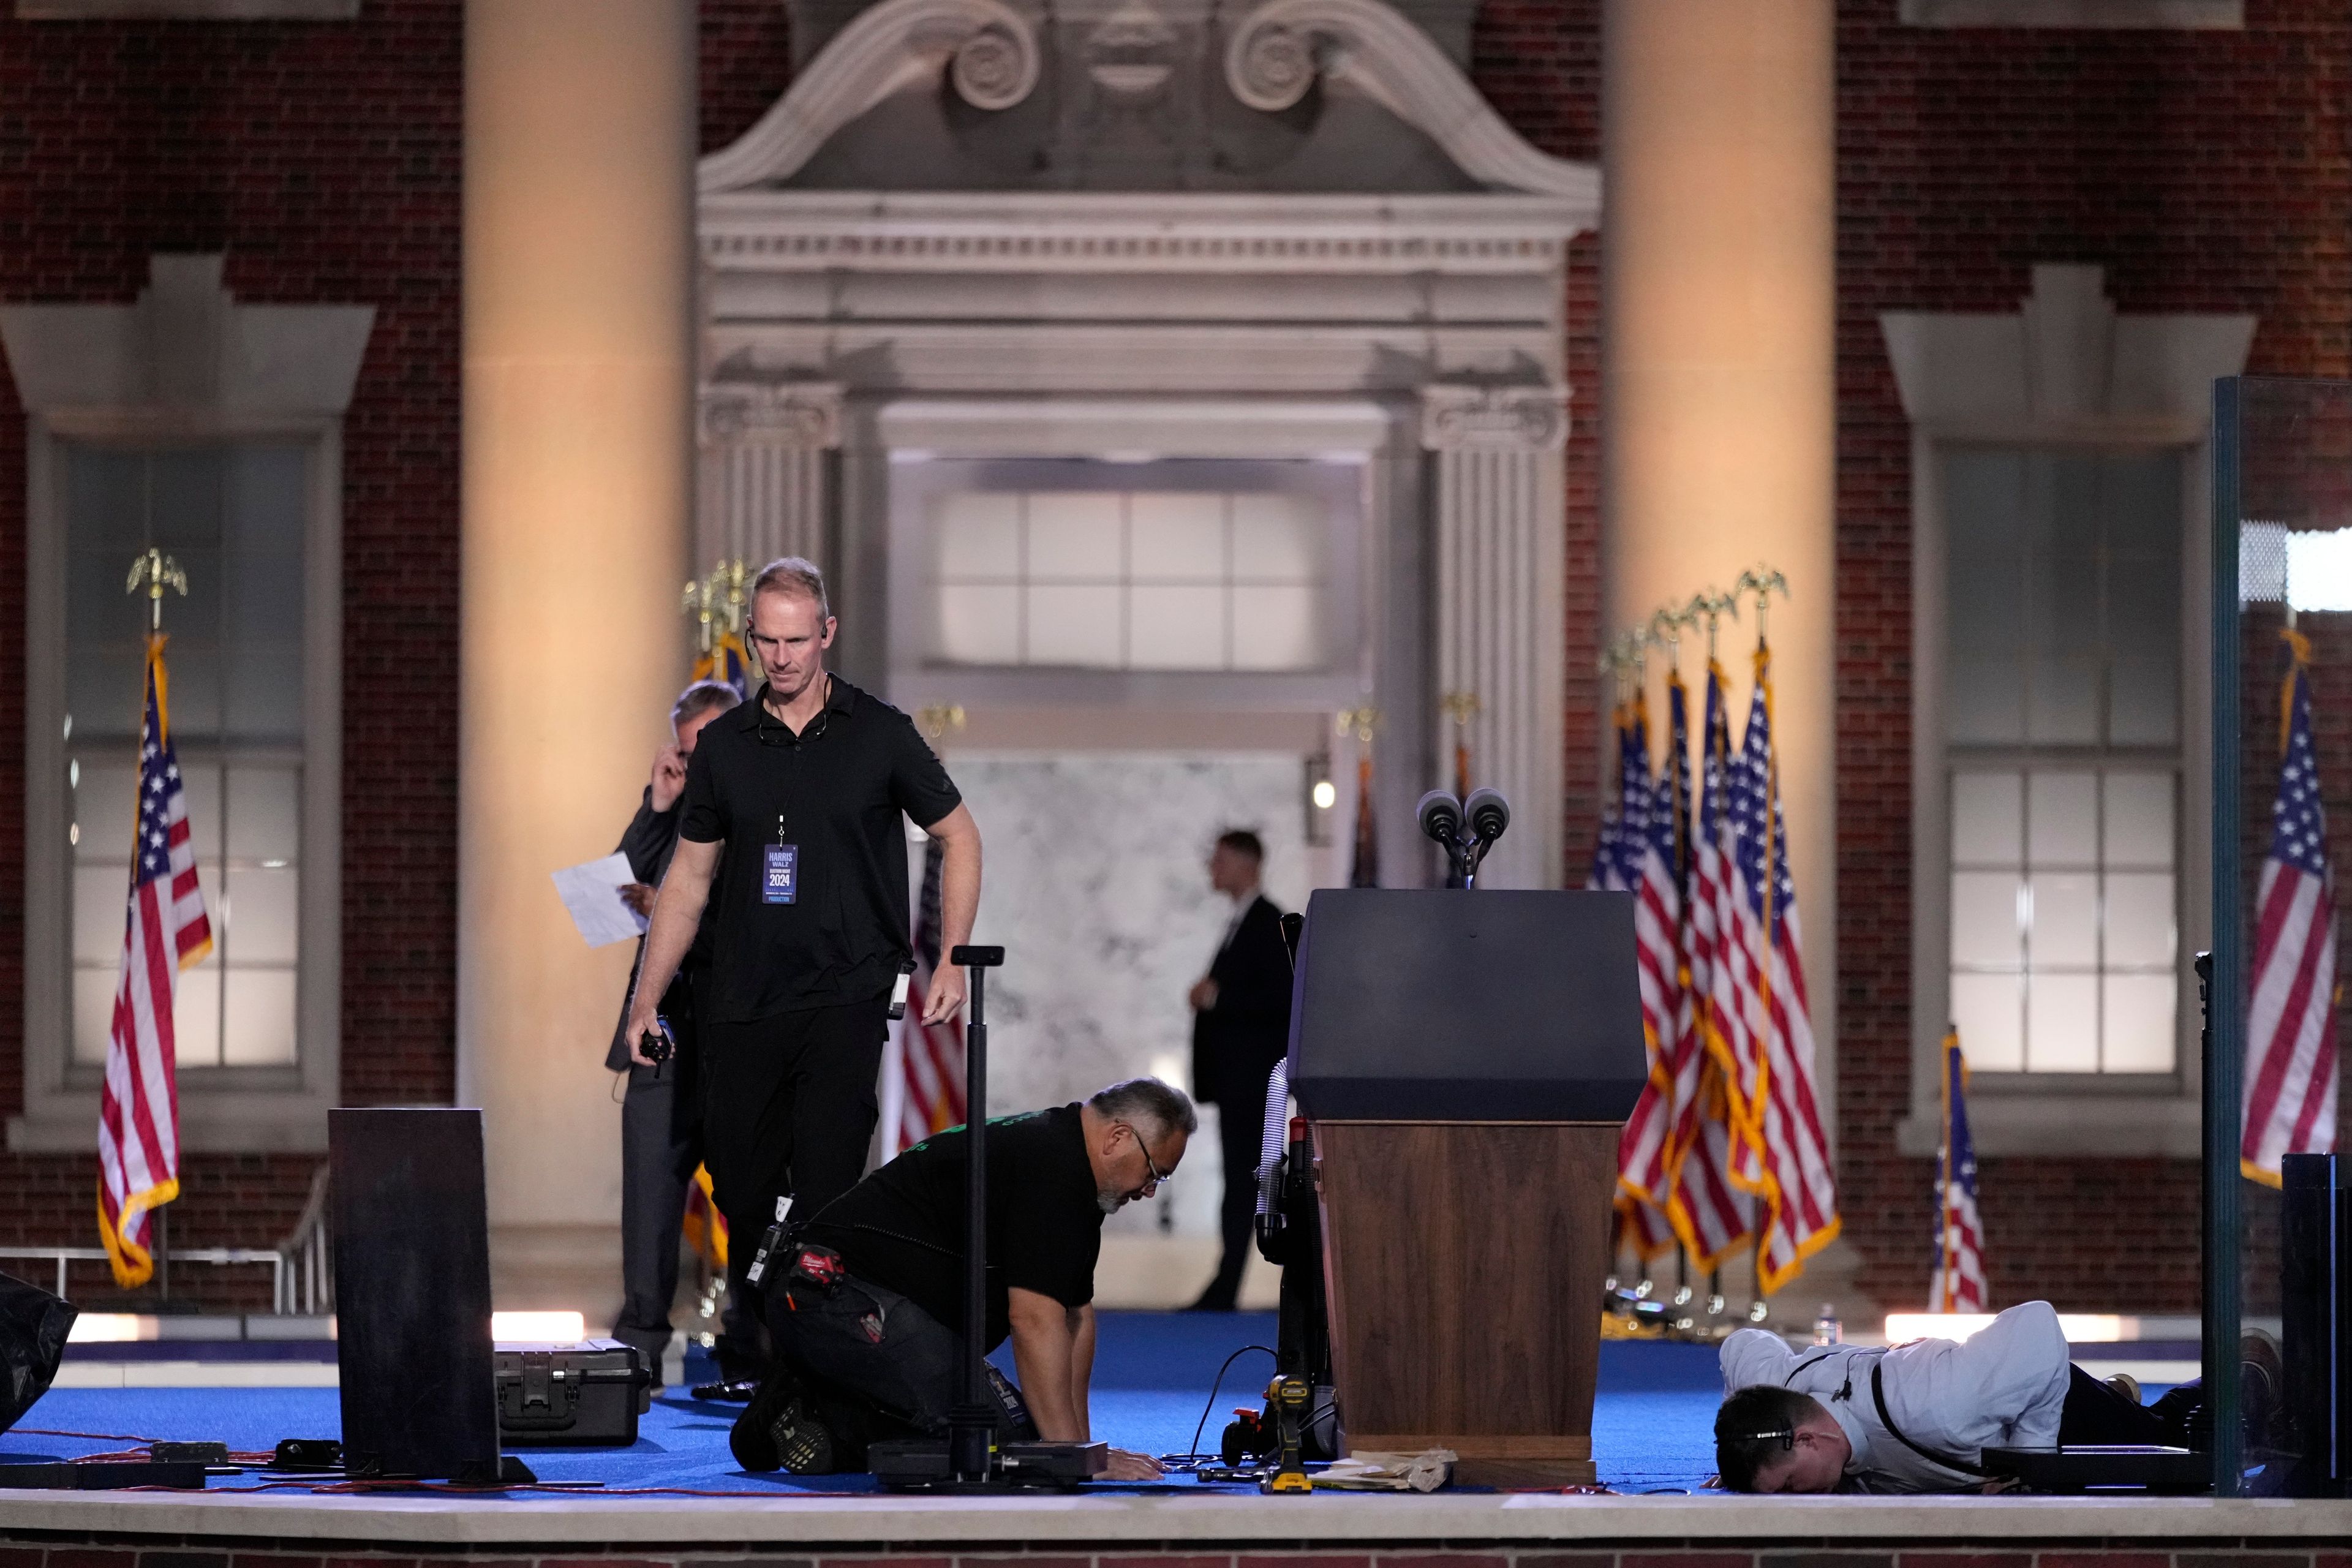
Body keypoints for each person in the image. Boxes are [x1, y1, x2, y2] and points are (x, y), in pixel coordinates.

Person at [625, 556, 983, 1368]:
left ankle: (812, 1368)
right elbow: (687, 879)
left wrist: (953, 961)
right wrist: (645, 1003)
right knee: (743, 1189)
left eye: (797, 640)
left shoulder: (881, 732)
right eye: (767, 641)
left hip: (847, 995)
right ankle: (776, 1319)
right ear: (751, 640)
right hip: (740, 999)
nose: (782, 658)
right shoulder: (722, 746)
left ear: (826, 635)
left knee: (826, 1193)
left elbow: (960, 836)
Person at [729, 1077, 1194, 1481]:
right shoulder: (1053, 1167)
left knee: (1034, 1441)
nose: (1150, 1191)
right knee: (999, 1445)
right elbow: (1033, 1319)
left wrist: (1081, 1451)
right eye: (1155, 1173)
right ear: (1118, 1137)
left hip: (866, 1300)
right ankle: (815, 1407)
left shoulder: (1069, 1162)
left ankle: (814, 1408)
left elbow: (1075, 1316)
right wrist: (1069, 1457)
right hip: (832, 1295)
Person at [1713, 1299, 2280, 1493]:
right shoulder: (1780, 1389)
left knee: (2172, 1446)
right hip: (1998, 1396)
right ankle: (2107, 1398)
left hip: (2049, 1413)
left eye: (1791, 1485)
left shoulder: (1935, 1404)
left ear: (1810, 1437)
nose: (1797, 1498)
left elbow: (2037, 1327)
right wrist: (1745, 1459)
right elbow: (1740, 1344)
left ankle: (2251, 1372)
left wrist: (2035, 1463)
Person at [605, 678, 744, 1382]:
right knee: (650, 1198)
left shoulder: (764, 808)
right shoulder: (677, 807)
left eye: (706, 751)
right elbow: (618, 884)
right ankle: (638, 1353)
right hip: (661, 1036)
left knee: (749, 1194)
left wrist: (681, 909)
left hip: (735, 1039)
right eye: (687, 756)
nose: (696, 768)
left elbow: (760, 921)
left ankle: (753, 1348)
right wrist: (657, 803)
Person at [1184, 829, 1292, 1313]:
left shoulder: (1267, 922)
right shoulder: (1244, 922)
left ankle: (1226, 1285)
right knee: (1238, 1178)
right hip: (1238, 1081)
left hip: (1252, 1082)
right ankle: (1223, 1282)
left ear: (1248, 864)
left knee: (1246, 1179)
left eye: (1221, 860)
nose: (1213, 868)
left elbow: (1283, 999)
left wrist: (1218, 998)